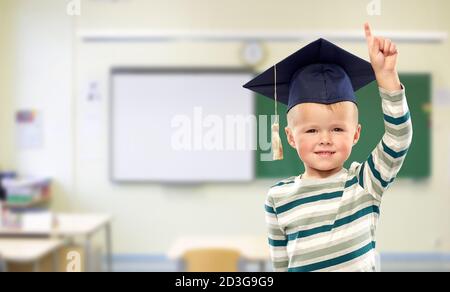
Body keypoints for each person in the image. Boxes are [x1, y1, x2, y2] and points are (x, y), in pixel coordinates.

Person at [243, 23, 413, 271]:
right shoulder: (278, 198)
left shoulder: (365, 182)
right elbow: (281, 265)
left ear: (355, 134)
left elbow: (399, 138)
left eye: (337, 129)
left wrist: (387, 77)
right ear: (290, 137)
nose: (325, 139)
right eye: (311, 130)